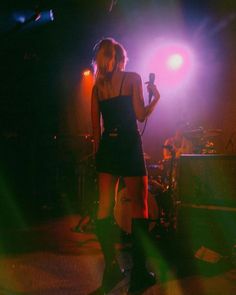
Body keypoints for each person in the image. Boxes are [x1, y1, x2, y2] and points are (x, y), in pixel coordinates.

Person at [90, 37, 160, 294]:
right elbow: (141, 115)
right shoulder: (132, 78)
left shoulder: (97, 87)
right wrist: (155, 99)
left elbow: (95, 130)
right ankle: (140, 274)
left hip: (108, 146)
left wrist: (99, 155)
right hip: (129, 144)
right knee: (139, 206)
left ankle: (111, 269)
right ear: (120, 58)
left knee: (104, 206)